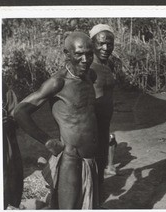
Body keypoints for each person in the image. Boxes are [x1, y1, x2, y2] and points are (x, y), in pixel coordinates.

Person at [14, 31, 99, 209]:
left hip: (91, 160)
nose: (85, 59)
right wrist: (46, 141)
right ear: (67, 53)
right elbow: (20, 111)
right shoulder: (57, 82)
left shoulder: (90, 76)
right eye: (78, 54)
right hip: (71, 158)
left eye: (89, 54)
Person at [89, 24, 117, 191]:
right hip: (91, 125)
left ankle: (96, 200)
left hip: (105, 124)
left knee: (101, 160)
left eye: (110, 44)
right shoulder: (87, 67)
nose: (106, 48)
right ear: (92, 43)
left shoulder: (109, 65)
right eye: (101, 43)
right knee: (89, 164)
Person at [3, 82, 24, 209]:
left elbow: (16, 117)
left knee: (10, 172)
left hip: (6, 140)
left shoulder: (6, 92)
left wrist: (10, 121)